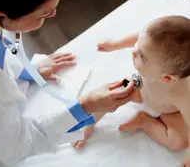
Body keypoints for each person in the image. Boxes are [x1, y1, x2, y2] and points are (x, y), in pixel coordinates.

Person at [0, 0, 135, 166]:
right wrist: (85, 107)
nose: (53, 14)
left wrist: (28, 71)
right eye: (44, 13)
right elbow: (21, 145)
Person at [73, 15, 190, 167]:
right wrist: (115, 44)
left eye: (142, 56)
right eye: (137, 45)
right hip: (139, 86)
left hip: (169, 110)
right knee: (110, 96)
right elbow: (139, 36)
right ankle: (87, 125)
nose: (134, 51)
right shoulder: (151, 44)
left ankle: (144, 121)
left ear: (167, 79)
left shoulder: (182, 95)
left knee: (178, 142)